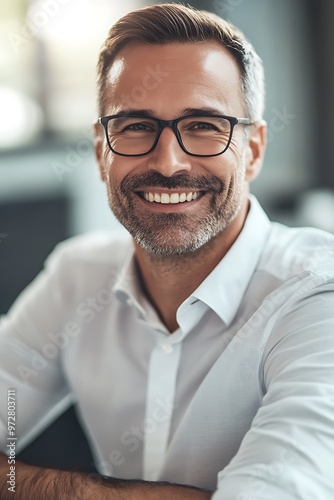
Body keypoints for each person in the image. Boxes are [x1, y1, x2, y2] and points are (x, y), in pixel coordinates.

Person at [1, 3, 334, 499]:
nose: (169, 162)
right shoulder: (77, 276)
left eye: (204, 125)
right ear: (100, 151)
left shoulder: (317, 296)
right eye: (135, 126)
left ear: (254, 150)